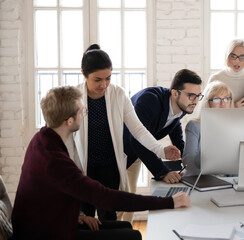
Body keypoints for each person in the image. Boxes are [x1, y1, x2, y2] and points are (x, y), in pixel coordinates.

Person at [11, 86, 190, 240]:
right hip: (44, 234)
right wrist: (169, 202)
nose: (84, 114)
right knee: (132, 236)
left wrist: (78, 216)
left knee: (125, 229)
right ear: (70, 121)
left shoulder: (43, 139)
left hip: (50, 221)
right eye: (82, 111)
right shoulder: (54, 160)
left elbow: (49, 196)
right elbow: (107, 197)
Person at [72, 44, 181, 221]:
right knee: (86, 219)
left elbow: (138, 130)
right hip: (84, 167)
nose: (103, 84)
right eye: (97, 79)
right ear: (84, 73)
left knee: (109, 219)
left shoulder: (118, 94)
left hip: (110, 167)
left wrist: (161, 150)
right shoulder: (74, 96)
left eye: (108, 78)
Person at [121, 69, 202, 221]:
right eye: (191, 95)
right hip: (118, 151)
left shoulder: (183, 106)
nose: (195, 101)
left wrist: (188, 161)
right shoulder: (149, 100)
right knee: (119, 201)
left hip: (137, 152)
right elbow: (136, 139)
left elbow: (174, 123)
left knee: (128, 201)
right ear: (175, 93)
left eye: (198, 96)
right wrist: (162, 172)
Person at [182, 81, 234, 176]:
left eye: (226, 99)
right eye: (217, 99)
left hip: (225, 181)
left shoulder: (233, 127)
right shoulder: (195, 126)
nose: (223, 104)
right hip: (198, 179)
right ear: (207, 102)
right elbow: (189, 162)